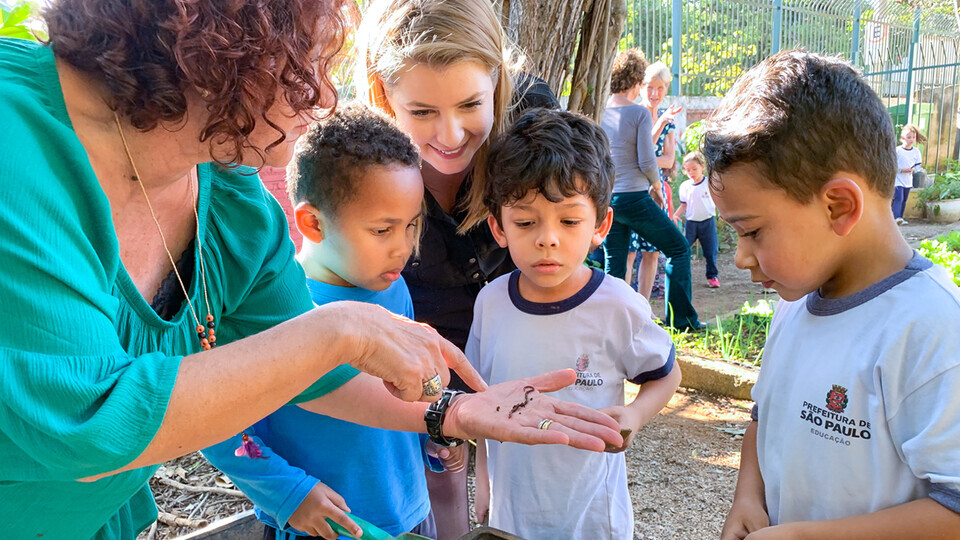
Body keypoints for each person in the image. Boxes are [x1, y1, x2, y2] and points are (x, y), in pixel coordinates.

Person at [0, 1, 625, 537]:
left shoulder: (231, 199)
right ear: (218, 49)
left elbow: (313, 378)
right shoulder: (17, 141)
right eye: (307, 63)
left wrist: (449, 413)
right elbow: (89, 425)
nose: (326, 95)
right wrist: (338, 332)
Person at [703, 50, 960, 540]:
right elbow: (765, 413)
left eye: (752, 231)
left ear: (839, 205)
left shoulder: (932, 329)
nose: (740, 257)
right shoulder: (794, 301)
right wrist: (748, 496)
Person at [354, 0, 560, 536]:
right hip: (419, 340)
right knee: (437, 474)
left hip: (517, 334)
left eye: (470, 104)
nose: (449, 135)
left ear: (497, 78)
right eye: (422, 112)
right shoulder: (358, 161)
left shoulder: (534, 129)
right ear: (382, 94)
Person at [203, 105, 450, 539]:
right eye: (382, 230)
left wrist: (433, 439)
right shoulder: (268, 311)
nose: (404, 248)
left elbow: (410, 392)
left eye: (412, 226)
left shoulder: (395, 288)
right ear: (312, 223)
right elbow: (221, 430)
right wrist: (287, 493)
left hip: (409, 512)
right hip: (321, 525)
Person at [471, 108, 682, 539]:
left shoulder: (618, 305)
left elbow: (666, 374)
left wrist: (635, 415)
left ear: (601, 224)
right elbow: (482, 401)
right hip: (512, 516)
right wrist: (483, 481)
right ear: (498, 227)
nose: (548, 237)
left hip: (592, 519)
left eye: (569, 221)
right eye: (526, 222)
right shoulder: (491, 303)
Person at [601, 49, 703, 330]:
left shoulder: (601, 113)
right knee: (679, 249)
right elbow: (647, 160)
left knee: (616, 264)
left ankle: (614, 324)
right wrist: (657, 189)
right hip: (636, 197)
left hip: (610, 200)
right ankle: (681, 322)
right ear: (636, 81)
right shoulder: (637, 113)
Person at [673, 151, 719, 288]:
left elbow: (718, 200)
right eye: (688, 170)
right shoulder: (685, 186)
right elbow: (684, 205)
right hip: (691, 223)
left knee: (710, 251)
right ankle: (681, 276)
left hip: (708, 221)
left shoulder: (709, 183)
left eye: (694, 169)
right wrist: (675, 215)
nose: (691, 172)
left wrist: (723, 213)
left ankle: (712, 277)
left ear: (702, 167)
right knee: (684, 248)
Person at [893, 124, 925, 225]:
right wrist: (901, 170)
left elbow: (918, 165)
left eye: (913, 137)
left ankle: (900, 218)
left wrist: (913, 170)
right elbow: (891, 165)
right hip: (897, 179)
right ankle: (896, 217)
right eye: (908, 137)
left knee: (904, 199)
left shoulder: (916, 152)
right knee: (898, 197)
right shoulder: (897, 151)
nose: (911, 140)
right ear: (902, 138)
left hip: (908, 180)